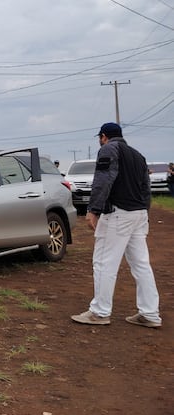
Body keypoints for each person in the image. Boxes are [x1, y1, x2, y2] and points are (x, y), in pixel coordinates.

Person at [71, 122, 162, 328]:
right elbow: (145, 188)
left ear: (103, 136)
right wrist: (144, 214)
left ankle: (100, 312)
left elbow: (103, 180)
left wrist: (93, 210)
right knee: (141, 264)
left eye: (100, 138)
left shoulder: (108, 149)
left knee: (104, 262)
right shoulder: (138, 155)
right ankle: (150, 313)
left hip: (118, 213)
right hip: (138, 214)